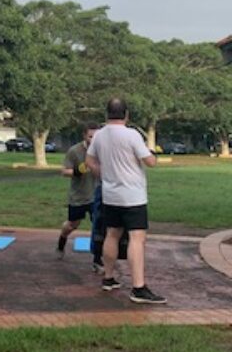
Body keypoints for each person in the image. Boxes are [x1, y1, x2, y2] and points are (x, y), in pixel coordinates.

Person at [86, 97, 166, 304]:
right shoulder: (132, 135)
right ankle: (138, 287)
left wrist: (103, 175)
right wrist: (150, 151)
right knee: (137, 238)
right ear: (126, 114)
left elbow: (89, 160)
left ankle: (108, 277)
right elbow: (150, 162)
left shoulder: (100, 135)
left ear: (107, 114)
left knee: (112, 234)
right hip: (133, 196)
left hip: (110, 194)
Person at [57, 123, 102, 270]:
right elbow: (64, 171)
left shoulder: (103, 150)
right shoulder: (75, 151)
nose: (93, 139)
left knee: (99, 226)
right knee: (72, 224)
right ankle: (61, 242)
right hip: (79, 195)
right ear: (84, 136)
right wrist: (77, 170)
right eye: (90, 136)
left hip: (97, 195)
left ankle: (97, 259)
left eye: (96, 136)